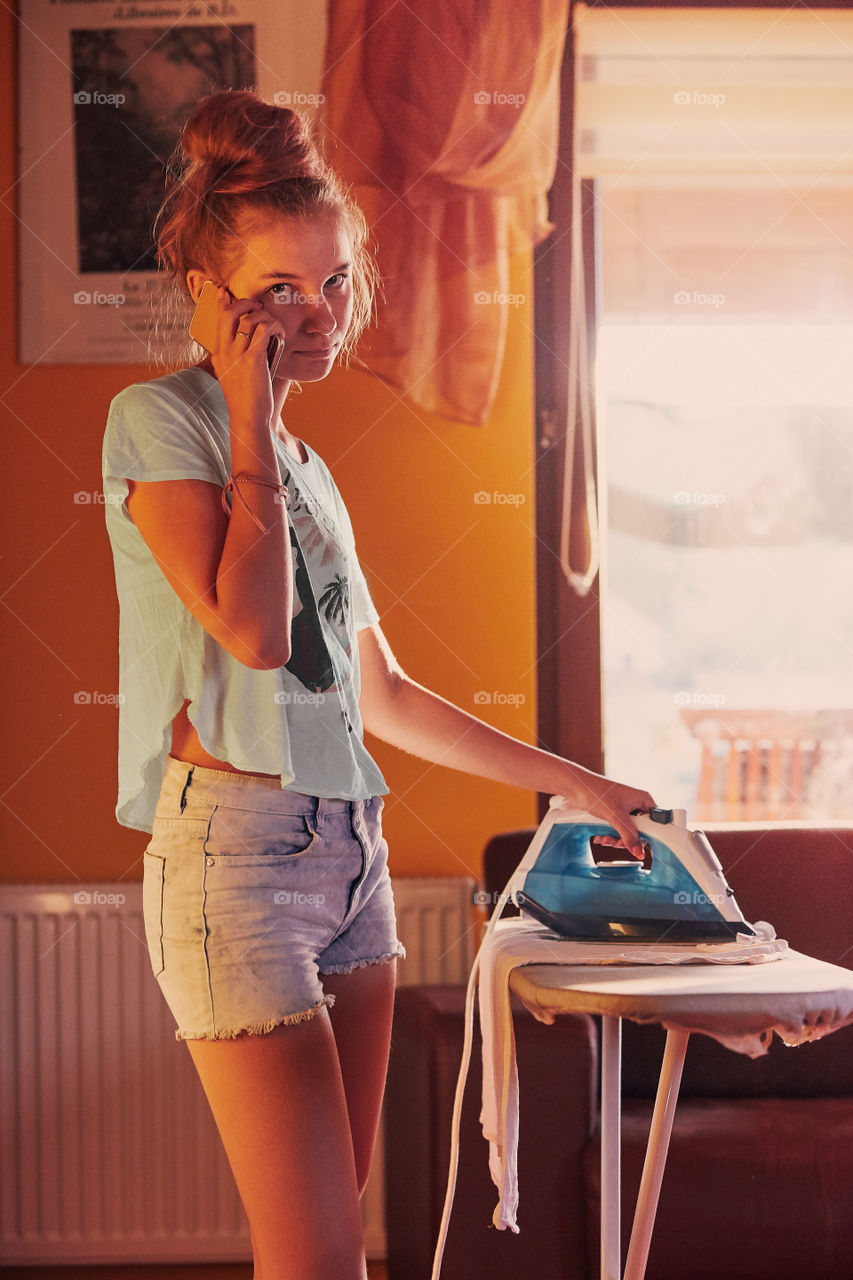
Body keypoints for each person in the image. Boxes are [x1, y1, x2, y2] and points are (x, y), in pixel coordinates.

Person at [102, 89, 656, 1280]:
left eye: (335, 281)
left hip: (353, 856)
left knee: (333, 1231)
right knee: (318, 1260)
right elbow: (250, 634)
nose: (316, 315)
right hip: (237, 860)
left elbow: (382, 695)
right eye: (277, 291)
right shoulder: (160, 425)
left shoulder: (307, 465)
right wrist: (250, 419)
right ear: (209, 292)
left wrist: (583, 785)